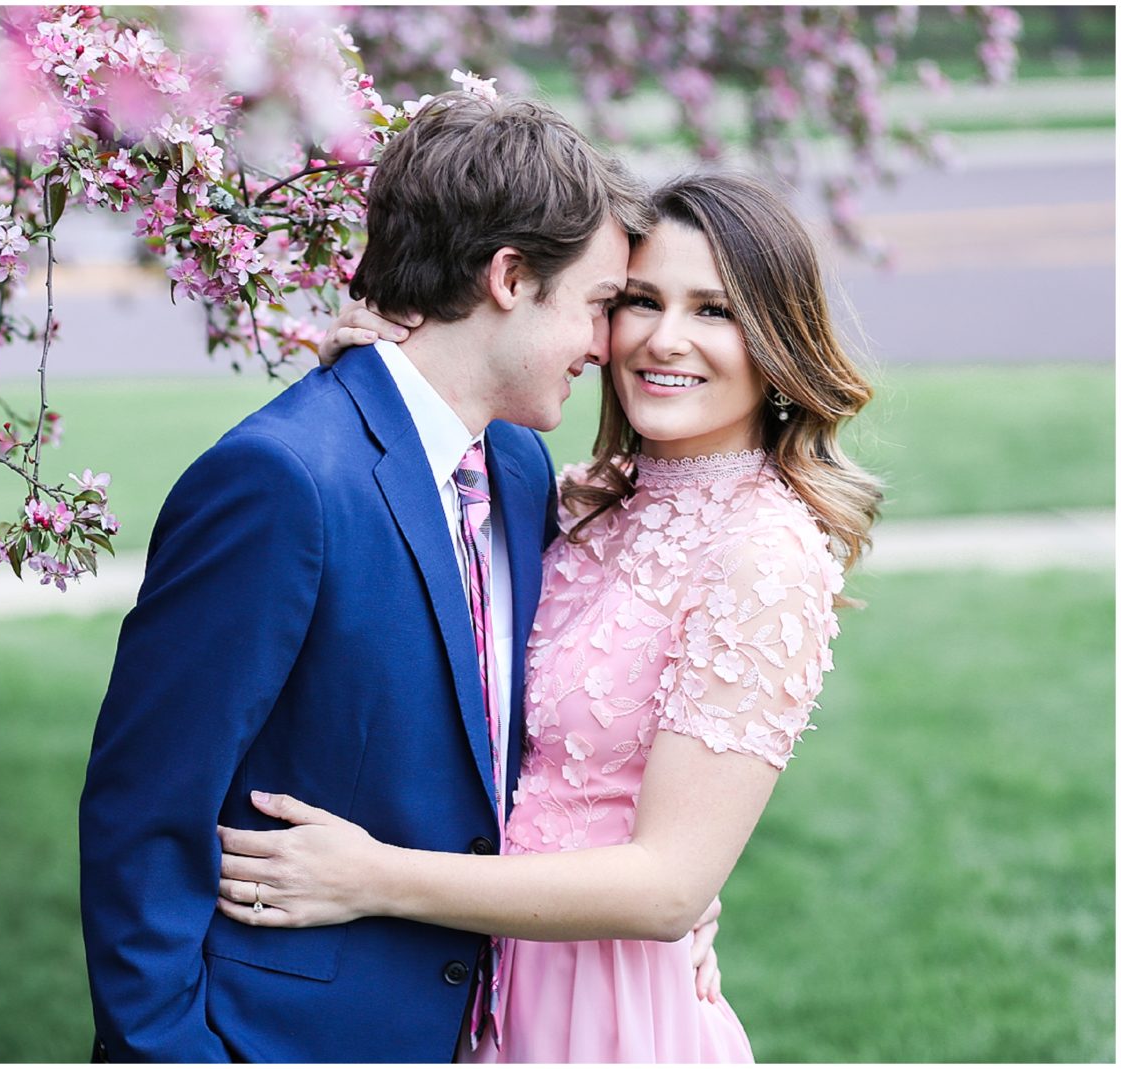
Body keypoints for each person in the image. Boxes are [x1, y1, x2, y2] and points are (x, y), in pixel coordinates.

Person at [77, 91, 717, 1062]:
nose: (606, 345)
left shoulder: (512, 465)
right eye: (597, 306)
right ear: (509, 275)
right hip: (278, 1039)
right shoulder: (282, 481)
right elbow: (143, 809)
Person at [214, 172, 884, 1062]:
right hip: (464, 978)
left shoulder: (766, 552)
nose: (662, 338)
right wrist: (379, 366)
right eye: (638, 300)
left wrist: (370, 877)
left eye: (713, 311)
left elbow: (667, 888)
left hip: (599, 1006)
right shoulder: (568, 495)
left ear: (776, 337)